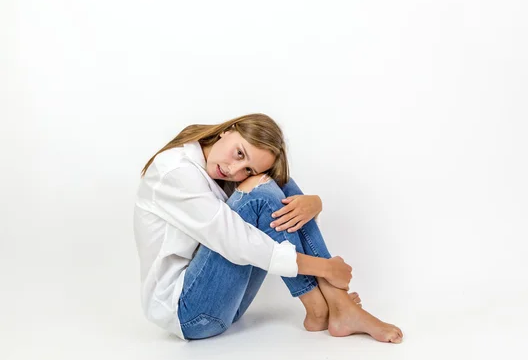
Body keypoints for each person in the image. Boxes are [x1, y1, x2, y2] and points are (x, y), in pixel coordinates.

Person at [133, 113, 403, 343]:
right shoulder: (174, 171)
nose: (234, 169)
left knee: (278, 181)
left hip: (227, 306)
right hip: (192, 314)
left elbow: (275, 224)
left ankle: (332, 305)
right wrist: (325, 268)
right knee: (261, 194)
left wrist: (314, 204)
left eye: (246, 169)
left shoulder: (217, 167)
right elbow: (236, 242)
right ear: (228, 130)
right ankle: (325, 304)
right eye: (239, 153)